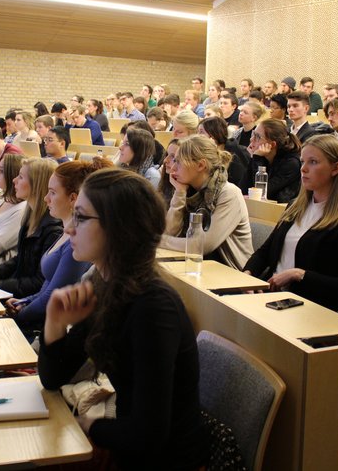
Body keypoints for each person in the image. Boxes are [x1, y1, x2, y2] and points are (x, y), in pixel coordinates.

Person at [38, 168, 207, 469]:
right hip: (133, 450)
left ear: (119, 228)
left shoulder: (153, 307)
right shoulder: (105, 286)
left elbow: (148, 436)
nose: (69, 229)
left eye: (81, 217)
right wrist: (55, 323)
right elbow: (53, 378)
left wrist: (89, 426)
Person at [245, 135, 338, 310]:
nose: (303, 169)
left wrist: (300, 274)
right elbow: (265, 251)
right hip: (271, 297)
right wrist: (247, 275)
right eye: (303, 161)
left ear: (335, 168)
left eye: (313, 162)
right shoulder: (295, 206)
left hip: (307, 308)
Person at [6, 159, 112, 336]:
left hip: (43, 326)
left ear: (73, 198)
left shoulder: (75, 244)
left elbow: (52, 297)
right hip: (40, 319)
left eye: (53, 193)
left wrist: (16, 318)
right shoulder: (65, 233)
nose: (46, 198)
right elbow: (47, 288)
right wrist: (24, 302)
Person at [161, 135, 254, 270]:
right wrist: (180, 193)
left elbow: (202, 245)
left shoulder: (229, 193)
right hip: (199, 266)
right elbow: (170, 232)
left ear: (201, 165)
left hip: (232, 273)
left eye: (179, 162)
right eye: (174, 161)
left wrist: (158, 240)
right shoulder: (188, 190)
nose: (173, 168)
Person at [0, 158, 62, 297]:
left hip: (23, 299)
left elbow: (39, 282)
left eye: (21, 177)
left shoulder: (53, 230)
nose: (14, 180)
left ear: (36, 184)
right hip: (15, 291)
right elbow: (20, 260)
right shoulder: (30, 217)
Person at [240, 118, 302, 203]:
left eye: (257, 137)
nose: (251, 139)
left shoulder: (291, 163)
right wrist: (253, 159)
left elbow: (262, 193)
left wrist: (257, 159)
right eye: (253, 134)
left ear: (272, 144)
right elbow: (243, 189)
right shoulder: (263, 157)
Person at [198, 116, 249, 186]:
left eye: (201, 132)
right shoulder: (204, 151)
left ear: (213, 134)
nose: (198, 135)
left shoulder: (235, 153)